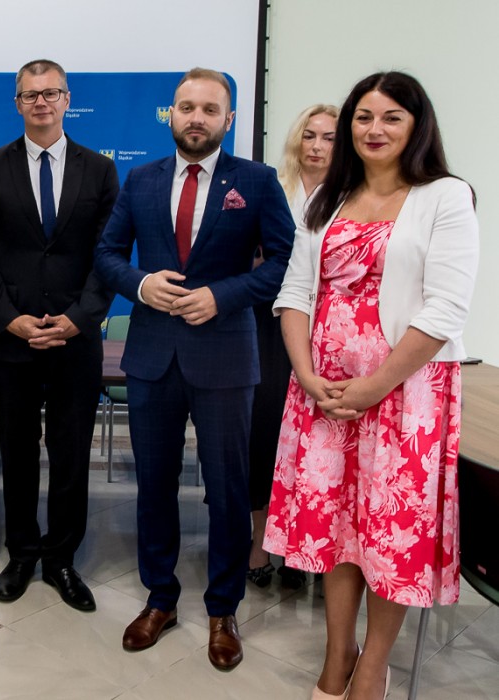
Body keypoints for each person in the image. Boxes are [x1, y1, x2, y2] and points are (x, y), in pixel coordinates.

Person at [263, 72, 478, 700]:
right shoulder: (326, 199)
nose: (374, 129)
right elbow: (295, 293)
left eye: (390, 118)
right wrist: (307, 376)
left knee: (390, 534)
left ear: (417, 125)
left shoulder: (445, 196)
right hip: (325, 395)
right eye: (363, 117)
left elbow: (445, 309)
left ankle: (375, 664)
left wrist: (373, 386)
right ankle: (339, 653)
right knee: (336, 528)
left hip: (406, 395)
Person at [94, 67, 294, 670]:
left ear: (228, 119)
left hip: (226, 354)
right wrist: (141, 284)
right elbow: (106, 254)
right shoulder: (141, 179)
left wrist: (223, 295)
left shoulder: (256, 181)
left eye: (210, 109)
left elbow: (284, 261)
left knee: (229, 490)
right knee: (153, 484)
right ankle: (160, 598)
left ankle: (222, 608)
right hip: (153, 355)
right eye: (187, 107)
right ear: (171, 114)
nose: (197, 118)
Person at [0, 59, 119, 611]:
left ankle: (61, 559)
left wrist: (80, 317)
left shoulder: (99, 170)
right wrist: (9, 318)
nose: (41, 102)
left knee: (71, 454)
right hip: (12, 340)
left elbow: (109, 254)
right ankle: (23, 553)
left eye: (51, 93)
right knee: (19, 452)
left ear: (67, 99)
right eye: (30, 95)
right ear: (17, 103)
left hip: (76, 340)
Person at [248, 104, 338, 589]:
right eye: (309, 135)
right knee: (265, 433)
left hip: (328, 330)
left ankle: (312, 552)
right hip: (269, 324)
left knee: (320, 443)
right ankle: (261, 542)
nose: (317, 145)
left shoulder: (353, 196)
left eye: (329, 137)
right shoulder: (272, 188)